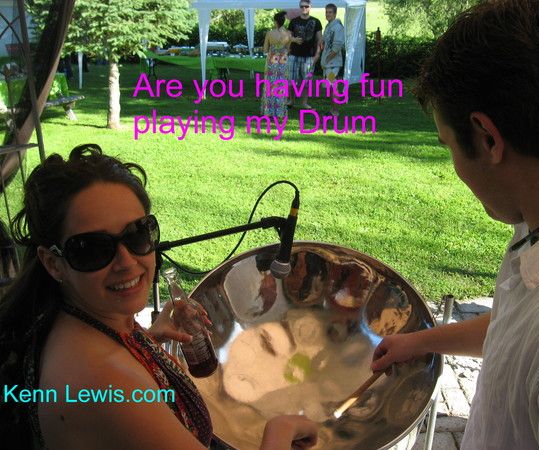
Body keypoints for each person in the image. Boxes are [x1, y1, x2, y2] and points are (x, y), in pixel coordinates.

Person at [371, 1, 539, 449]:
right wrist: (422, 341)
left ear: (488, 138)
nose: (455, 166)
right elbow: (520, 329)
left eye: (448, 146)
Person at [0, 144, 318, 450]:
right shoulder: (103, 380)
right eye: (92, 249)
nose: (126, 262)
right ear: (53, 263)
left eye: (137, 233)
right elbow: (109, 390)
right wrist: (280, 428)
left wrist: (147, 340)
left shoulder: (72, 322)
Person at [287, 0, 322, 109]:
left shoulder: (316, 21)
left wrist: (317, 54)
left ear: (310, 7)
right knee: (291, 80)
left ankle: (304, 103)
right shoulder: (293, 21)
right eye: (302, 6)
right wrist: (294, 39)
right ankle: (291, 101)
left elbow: (320, 40)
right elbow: (288, 37)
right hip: (294, 55)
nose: (304, 8)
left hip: (309, 57)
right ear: (299, 7)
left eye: (306, 6)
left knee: (306, 81)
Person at [261, 11, 291, 119]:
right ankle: (279, 112)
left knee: (270, 84)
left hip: (272, 60)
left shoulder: (270, 33)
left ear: (275, 21)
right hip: (283, 61)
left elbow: (265, 49)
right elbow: (288, 49)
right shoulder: (288, 34)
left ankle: (268, 111)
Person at [320, 3, 344, 117]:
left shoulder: (338, 27)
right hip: (328, 64)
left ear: (335, 13)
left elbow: (336, 47)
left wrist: (326, 60)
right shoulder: (329, 26)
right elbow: (326, 43)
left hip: (332, 63)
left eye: (330, 12)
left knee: (333, 86)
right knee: (331, 86)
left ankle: (335, 112)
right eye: (326, 12)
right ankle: (332, 110)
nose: (327, 14)